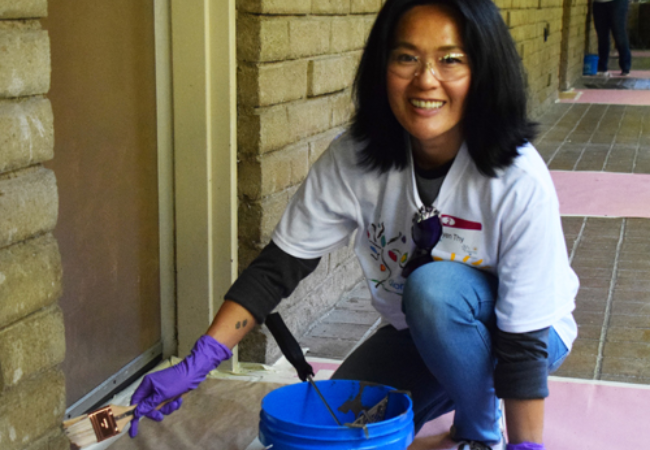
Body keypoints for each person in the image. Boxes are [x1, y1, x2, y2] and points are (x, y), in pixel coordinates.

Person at [127, 1, 578, 449]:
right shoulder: (357, 159)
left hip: (528, 335)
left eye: (450, 60)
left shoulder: (516, 179)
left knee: (433, 289)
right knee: (331, 437)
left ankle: (479, 431)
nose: (426, 79)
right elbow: (278, 268)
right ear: (382, 67)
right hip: (423, 333)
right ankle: (468, 396)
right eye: (406, 58)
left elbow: (523, 342)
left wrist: (525, 447)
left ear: (483, 70)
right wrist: (197, 363)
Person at [592, 0, 632, 76]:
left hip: (618, 2)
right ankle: (602, 67)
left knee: (619, 33)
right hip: (598, 3)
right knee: (602, 35)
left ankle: (625, 67)